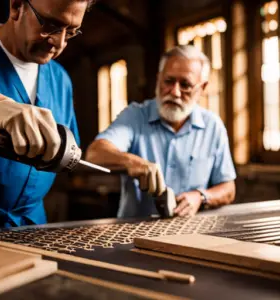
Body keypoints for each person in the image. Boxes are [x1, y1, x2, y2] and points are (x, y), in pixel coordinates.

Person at [86, 45, 236, 218]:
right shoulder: (135, 116)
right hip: (133, 233)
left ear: (202, 88)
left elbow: (228, 189)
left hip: (191, 232)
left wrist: (201, 197)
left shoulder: (213, 127)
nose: (174, 92)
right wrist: (132, 162)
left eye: (185, 85)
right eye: (168, 81)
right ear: (158, 79)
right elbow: (94, 152)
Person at [0, 0, 94, 229]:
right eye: (51, 25)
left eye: (70, 32)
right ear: (16, 6)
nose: (59, 43)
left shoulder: (61, 79)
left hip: (30, 226)